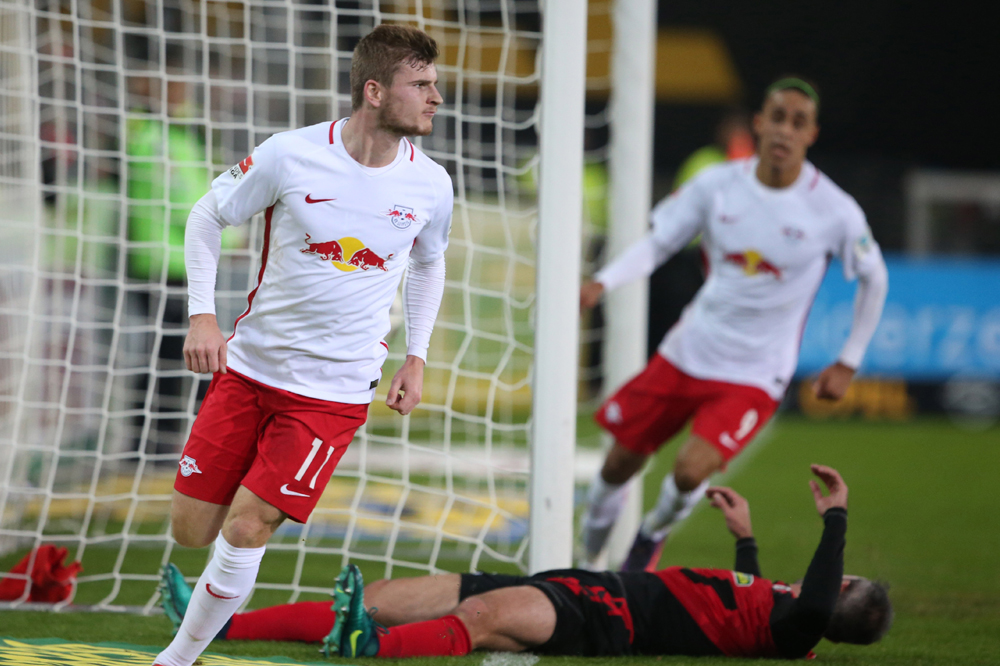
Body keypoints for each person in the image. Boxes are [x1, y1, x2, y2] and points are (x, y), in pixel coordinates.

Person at [152, 24, 453, 666]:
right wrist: (202, 317)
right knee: (190, 529)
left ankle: (176, 659)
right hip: (249, 369)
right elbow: (207, 216)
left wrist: (416, 357)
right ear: (375, 91)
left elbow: (429, 266)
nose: (437, 97)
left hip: (333, 393)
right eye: (421, 84)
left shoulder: (431, 184)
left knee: (246, 525)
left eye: (434, 83)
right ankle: (210, 601)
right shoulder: (290, 155)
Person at [578, 76, 889, 572]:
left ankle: (649, 537)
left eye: (799, 122)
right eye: (778, 118)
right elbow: (659, 242)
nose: (786, 131)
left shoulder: (833, 211)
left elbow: (875, 278)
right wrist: (605, 281)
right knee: (618, 464)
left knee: (689, 470)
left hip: (754, 373)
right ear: (759, 124)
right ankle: (587, 555)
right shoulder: (716, 183)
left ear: (811, 134)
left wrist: (848, 361)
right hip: (688, 349)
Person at [158, 465, 893, 659]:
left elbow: (811, 605)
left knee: (480, 618)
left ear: (835, 605)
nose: (821, 580)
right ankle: (226, 628)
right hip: (587, 584)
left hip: (609, 621)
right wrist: (745, 537)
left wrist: (837, 518)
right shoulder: (773, 602)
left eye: (839, 582)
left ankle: (367, 646)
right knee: (386, 590)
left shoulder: (797, 631)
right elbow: (754, 590)